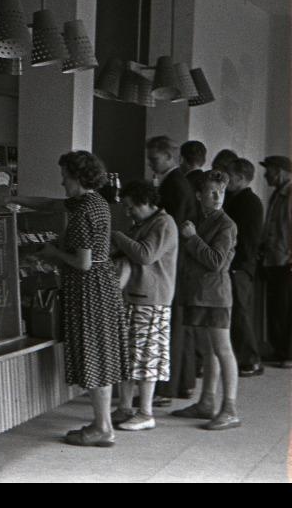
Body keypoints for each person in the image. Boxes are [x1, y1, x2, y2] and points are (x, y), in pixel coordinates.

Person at [39, 151, 129, 447]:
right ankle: (101, 423)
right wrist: (12, 200)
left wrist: (53, 254)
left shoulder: (82, 213)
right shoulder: (96, 202)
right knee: (102, 353)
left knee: (94, 354)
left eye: (65, 175)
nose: (61, 181)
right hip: (102, 287)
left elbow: (83, 262)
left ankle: (102, 427)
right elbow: (52, 203)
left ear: (77, 177)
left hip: (88, 290)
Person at [171, 170, 240, 430]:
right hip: (201, 295)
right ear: (199, 195)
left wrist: (192, 238)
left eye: (221, 192)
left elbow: (216, 261)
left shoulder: (226, 224)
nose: (217, 196)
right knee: (209, 350)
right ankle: (207, 401)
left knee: (222, 349)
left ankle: (230, 408)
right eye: (212, 192)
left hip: (217, 296)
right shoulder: (200, 219)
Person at [111, 181, 179, 431]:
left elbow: (145, 255)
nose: (128, 212)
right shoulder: (144, 224)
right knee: (129, 355)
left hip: (152, 300)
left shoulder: (164, 223)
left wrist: (117, 236)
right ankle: (125, 407)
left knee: (146, 357)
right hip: (135, 297)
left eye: (131, 207)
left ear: (146, 203)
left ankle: (146, 412)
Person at [146, 136, 198, 405]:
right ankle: (182, 383)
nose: (150, 163)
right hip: (179, 263)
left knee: (172, 324)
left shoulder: (175, 185)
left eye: (154, 159)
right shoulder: (175, 182)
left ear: (169, 157)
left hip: (173, 263)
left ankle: (167, 387)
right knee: (178, 323)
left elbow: (169, 228)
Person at [224, 159, 265, 377]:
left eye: (230, 175)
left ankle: (250, 359)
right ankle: (246, 358)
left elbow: (248, 239)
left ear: (240, 178)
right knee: (238, 312)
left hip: (240, 266)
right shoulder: (241, 200)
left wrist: (237, 266)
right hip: (240, 265)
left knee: (240, 312)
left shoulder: (248, 202)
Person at [258, 156, 292, 368]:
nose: (265, 175)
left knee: (286, 307)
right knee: (277, 307)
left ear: (279, 171)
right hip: (275, 259)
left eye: (268, 170)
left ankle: (288, 353)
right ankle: (280, 350)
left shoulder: (289, 194)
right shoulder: (278, 195)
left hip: (285, 260)